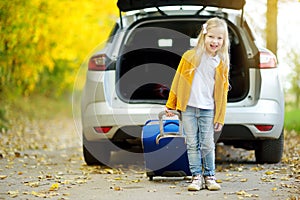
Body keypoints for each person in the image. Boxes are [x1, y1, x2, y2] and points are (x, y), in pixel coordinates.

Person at [165, 17, 230, 191]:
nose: (214, 41)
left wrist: (220, 116)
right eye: (211, 37)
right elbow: (177, 81)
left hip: (208, 109)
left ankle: (210, 176)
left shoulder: (222, 63)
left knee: (207, 144)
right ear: (203, 36)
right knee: (192, 143)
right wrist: (171, 105)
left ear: (224, 41)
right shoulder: (189, 57)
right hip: (189, 108)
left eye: (219, 38)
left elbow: (222, 93)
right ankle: (196, 177)